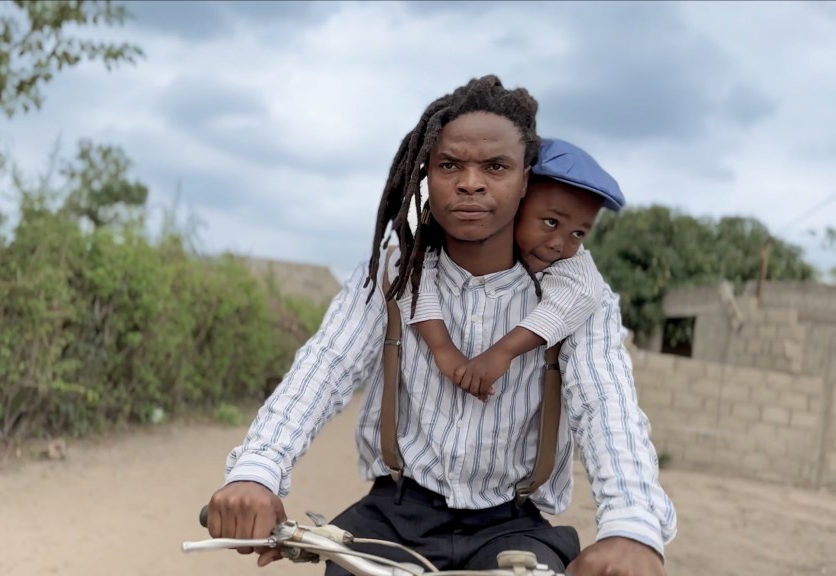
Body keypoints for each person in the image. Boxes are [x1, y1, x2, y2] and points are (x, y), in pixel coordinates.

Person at [204, 75, 676, 576]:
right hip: (392, 514)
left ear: (525, 181)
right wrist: (257, 471)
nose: (471, 182)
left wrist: (631, 525)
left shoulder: (578, 297)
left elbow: (607, 403)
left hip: (511, 524)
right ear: (426, 173)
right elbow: (325, 367)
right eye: (450, 165)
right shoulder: (393, 273)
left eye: (495, 167)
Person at [398, 138, 615, 403]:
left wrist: (504, 351)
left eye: (578, 233)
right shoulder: (450, 238)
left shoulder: (572, 265)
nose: (559, 244)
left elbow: (583, 291)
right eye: (550, 222)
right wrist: (443, 349)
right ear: (514, 201)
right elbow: (410, 270)